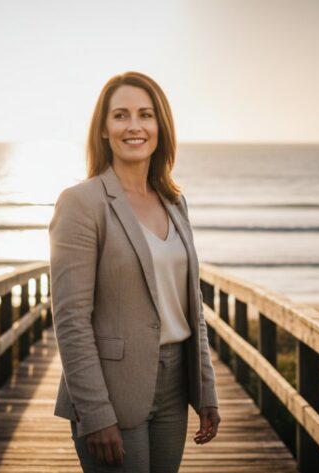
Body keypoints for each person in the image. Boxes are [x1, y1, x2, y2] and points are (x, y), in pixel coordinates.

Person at [49, 71, 220, 472]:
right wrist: (95, 412)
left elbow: (192, 305)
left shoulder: (175, 203)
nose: (134, 126)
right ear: (105, 130)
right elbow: (70, 319)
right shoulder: (82, 203)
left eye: (145, 115)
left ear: (160, 126)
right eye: (121, 116)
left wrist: (206, 391)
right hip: (112, 388)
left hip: (176, 383)